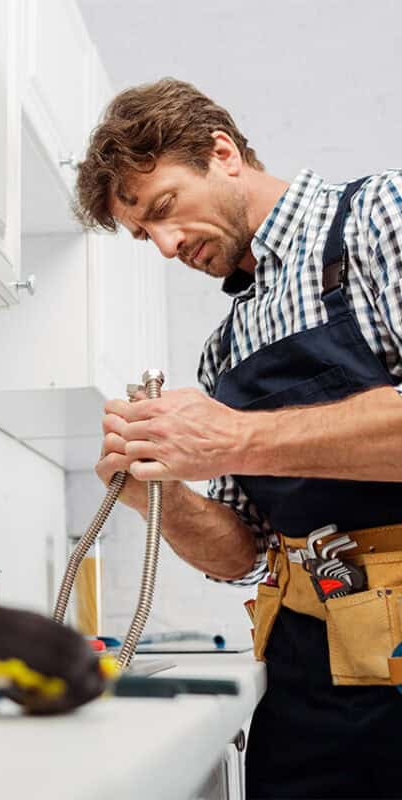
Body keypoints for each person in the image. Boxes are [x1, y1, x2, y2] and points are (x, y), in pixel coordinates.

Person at [74, 77, 402, 799]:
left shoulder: (380, 215)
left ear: (222, 153)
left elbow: (244, 444)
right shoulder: (222, 348)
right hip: (305, 674)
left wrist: (233, 439)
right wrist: (153, 489)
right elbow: (242, 554)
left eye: (163, 209)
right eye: (143, 235)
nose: (163, 246)